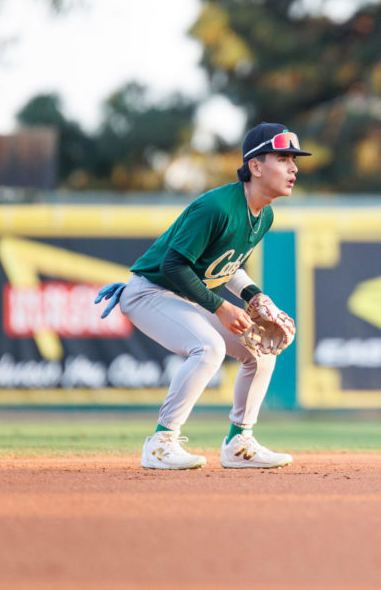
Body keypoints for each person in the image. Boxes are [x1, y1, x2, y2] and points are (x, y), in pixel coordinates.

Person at [95, 123, 310, 469]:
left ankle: (239, 443)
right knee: (209, 348)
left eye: (294, 160)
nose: (293, 168)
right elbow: (173, 266)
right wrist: (222, 307)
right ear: (255, 166)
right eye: (283, 158)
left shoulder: (263, 214)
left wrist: (253, 295)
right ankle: (161, 442)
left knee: (261, 352)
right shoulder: (218, 207)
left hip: (185, 294)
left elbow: (226, 266)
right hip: (150, 291)